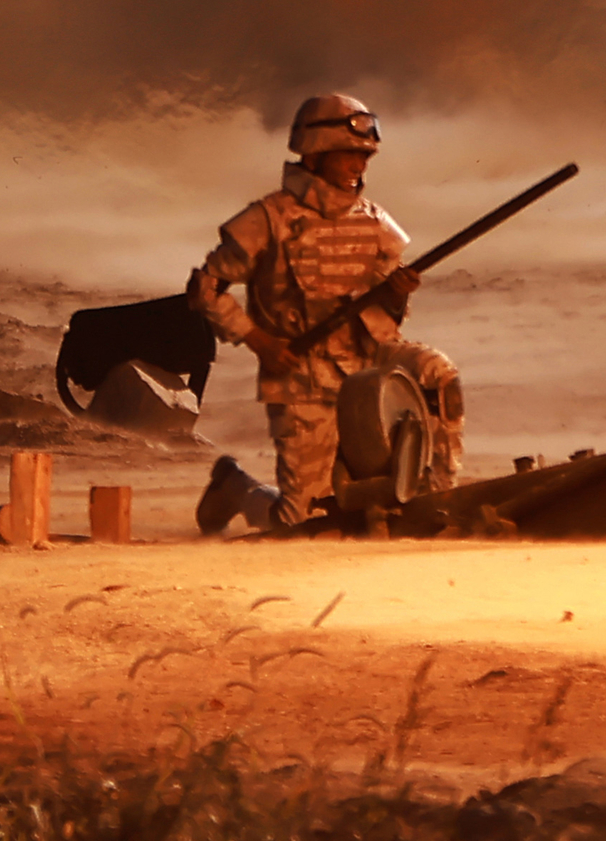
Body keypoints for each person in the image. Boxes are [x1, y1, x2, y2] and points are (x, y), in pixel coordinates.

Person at [188, 94, 464, 532]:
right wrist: (260, 342)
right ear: (315, 154)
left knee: (436, 373)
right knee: (301, 523)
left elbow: (388, 310)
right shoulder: (268, 219)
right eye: (350, 155)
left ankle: (437, 497)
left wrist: (394, 294)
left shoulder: (374, 220)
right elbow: (205, 289)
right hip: (302, 372)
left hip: (369, 362)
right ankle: (235, 486)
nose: (361, 166)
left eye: (366, 156)